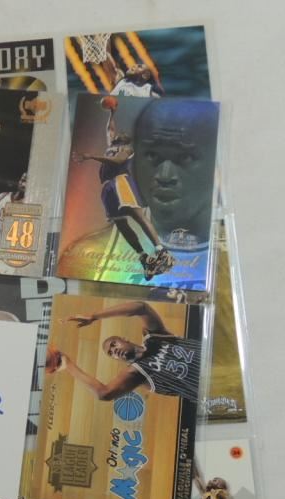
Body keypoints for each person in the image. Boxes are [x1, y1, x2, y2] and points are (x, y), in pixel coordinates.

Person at [73, 105, 174, 278]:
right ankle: (144, 257)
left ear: (127, 139)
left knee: (138, 216)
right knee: (121, 225)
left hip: (121, 182)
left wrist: (91, 156)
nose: (120, 132)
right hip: (108, 187)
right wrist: (112, 112)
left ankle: (161, 251)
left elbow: (117, 161)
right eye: (119, 133)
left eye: (123, 133)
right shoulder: (112, 145)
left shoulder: (127, 149)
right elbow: (110, 129)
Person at [51, 300, 201, 403]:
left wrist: (94, 316)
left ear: (124, 339)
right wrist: (68, 365)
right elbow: (104, 394)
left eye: (114, 344)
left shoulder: (155, 336)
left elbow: (141, 307)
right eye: (111, 353)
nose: (115, 350)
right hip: (209, 389)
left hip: (213, 356)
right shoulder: (137, 373)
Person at [130, 99, 218, 247]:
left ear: (217, 162)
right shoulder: (97, 249)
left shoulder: (243, 245)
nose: (165, 177)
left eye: (186, 157)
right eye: (152, 155)